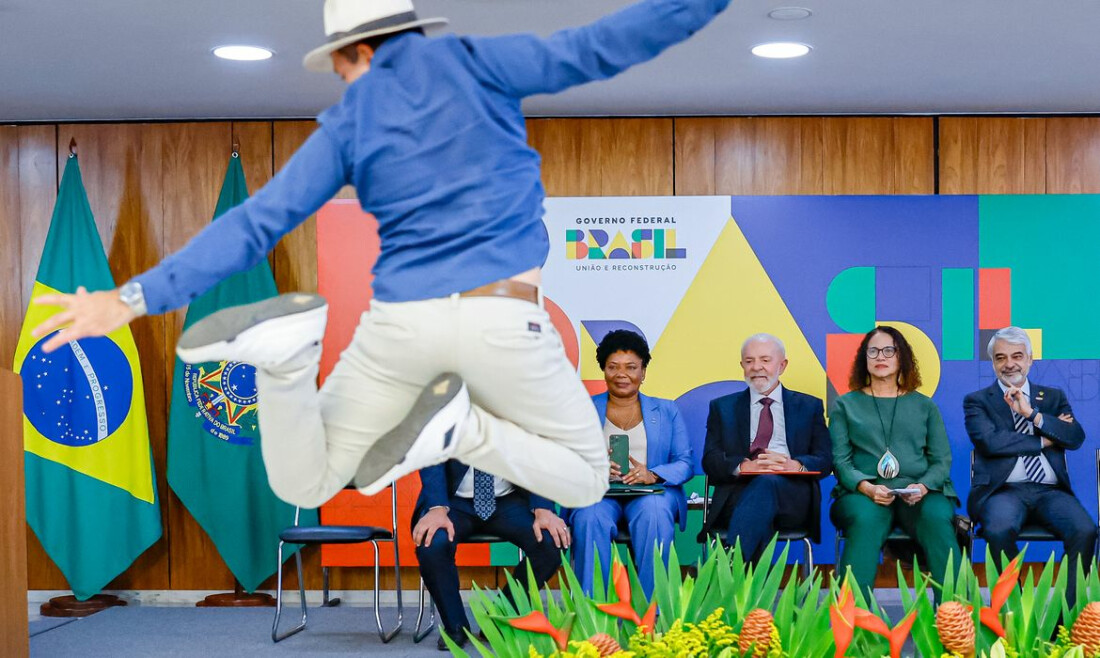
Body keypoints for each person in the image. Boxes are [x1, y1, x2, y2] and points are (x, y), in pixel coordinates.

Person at [29, 0, 734, 510]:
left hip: (400, 324)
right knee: (584, 479)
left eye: (338, 68)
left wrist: (127, 299)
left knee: (302, 484)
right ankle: (463, 429)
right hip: (502, 319)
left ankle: (286, 358)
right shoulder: (480, 63)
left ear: (357, 51)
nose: (341, 82)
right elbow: (603, 44)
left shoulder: (351, 121)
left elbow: (257, 221)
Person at [964, 326, 1095, 602]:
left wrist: (1032, 415)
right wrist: (1045, 440)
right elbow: (990, 443)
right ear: (993, 363)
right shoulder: (977, 401)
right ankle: (1016, 611)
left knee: (1085, 530)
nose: (1009, 364)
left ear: (1030, 359)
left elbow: (1074, 437)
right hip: (1003, 491)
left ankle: (1067, 617)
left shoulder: (1053, 397)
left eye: (1017, 356)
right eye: (1000, 357)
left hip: (1050, 491)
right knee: (997, 530)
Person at [830, 326, 959, 596]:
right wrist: (867, 488)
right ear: (864, 358)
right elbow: (841, 462)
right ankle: (853, 627)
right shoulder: (845, 405)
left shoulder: (925, 406)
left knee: (936, 518)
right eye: (873, 350)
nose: (881, 356)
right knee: (865, 520)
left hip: (919, 492)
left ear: (902, 357)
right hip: (863, 493)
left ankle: (957, 620)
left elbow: (941, 460)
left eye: (889, 350)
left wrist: (922, 487)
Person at [565, 330, 692, 597]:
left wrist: (653, 474)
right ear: (604, 371)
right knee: (589, 516)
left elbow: (684, 463)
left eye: (631, 367)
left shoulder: (667, 411)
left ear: (643, 372)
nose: (622, 374)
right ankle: (593, 611)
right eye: (613, 367)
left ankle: (652, 610)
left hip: (652, 493)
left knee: (654, 513)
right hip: (599, 493)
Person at [700, 333, 832, 561]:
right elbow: (710, 460)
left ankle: (730, 568)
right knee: (761, 492)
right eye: (749, 361)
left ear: (782, 365)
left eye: (765, 360)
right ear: (742, 366)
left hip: (792, 499)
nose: (756, 367)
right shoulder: (723, 407)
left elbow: (826, 459)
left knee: (767, 482)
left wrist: (796, 465)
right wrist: (742, 466)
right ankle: (744, 581)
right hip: (737, 497)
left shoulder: (808, 406)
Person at [412, 460, 568, 651]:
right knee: (433, 543)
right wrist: (436, 507)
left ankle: (500, 616)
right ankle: (455, 627)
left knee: (551, 541)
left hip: (508, 499)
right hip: (452, 502)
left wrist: (543, 508)